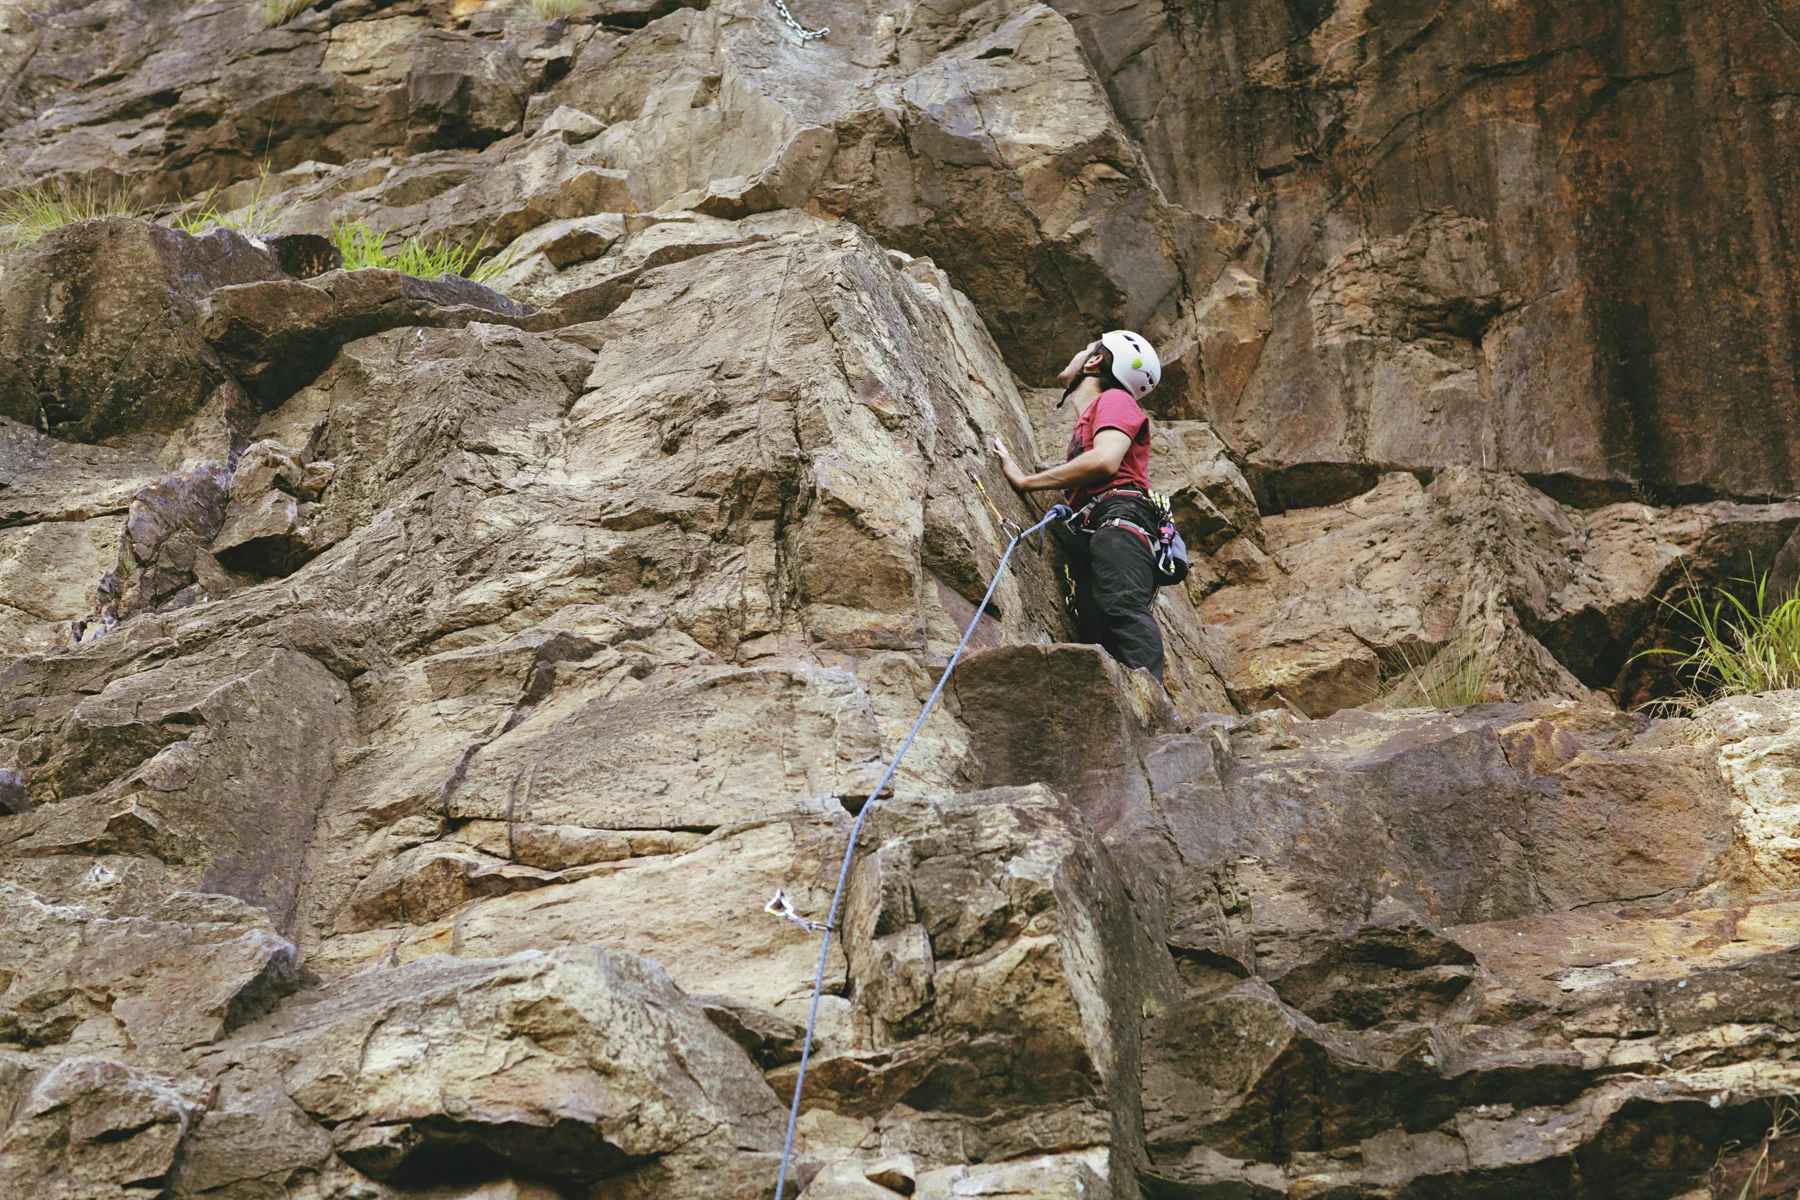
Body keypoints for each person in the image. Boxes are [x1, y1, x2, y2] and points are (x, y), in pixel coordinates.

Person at [991, 330, 1166, 680]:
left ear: (1095, 360)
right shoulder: (1099, 410)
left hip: (1120, 519)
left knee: (1123, 609)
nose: (1080, 351)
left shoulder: (1116, 400)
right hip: (1100, 524)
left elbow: (1104, 461)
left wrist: (1026, 481)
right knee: (1097, 627)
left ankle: (1153, 706)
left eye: (1087, 347)